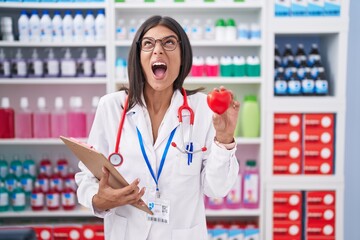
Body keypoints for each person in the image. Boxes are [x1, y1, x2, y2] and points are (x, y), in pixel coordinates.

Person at [75, 15, 240, 240]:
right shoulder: (112, 107)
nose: (158, 50)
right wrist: (98, 199)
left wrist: (224, 139)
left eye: (169, 42)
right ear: (138, 57)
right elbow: (87, 176)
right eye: (148, 43)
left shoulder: (202, 109)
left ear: (183, 56)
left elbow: (216, 189)